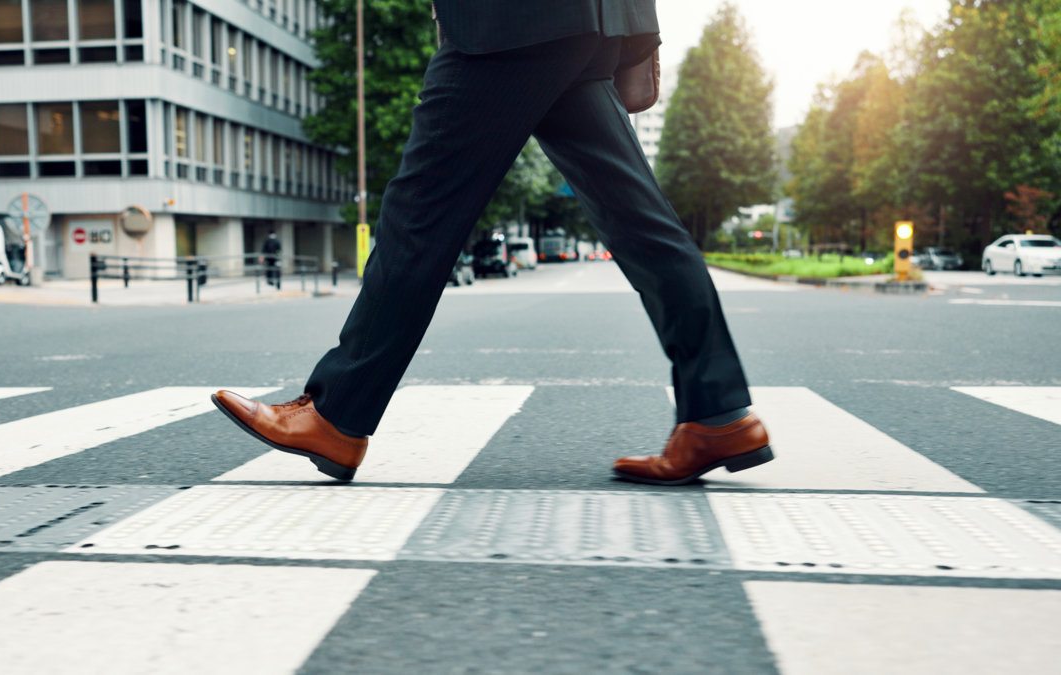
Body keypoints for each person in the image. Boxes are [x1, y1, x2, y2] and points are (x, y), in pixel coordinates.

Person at [213, 0, 774, 485]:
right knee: (638, 220)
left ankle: (336, 417)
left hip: (511, 21)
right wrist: (636, 27)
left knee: (419, 211)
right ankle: (718, 414)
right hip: (588, 21)